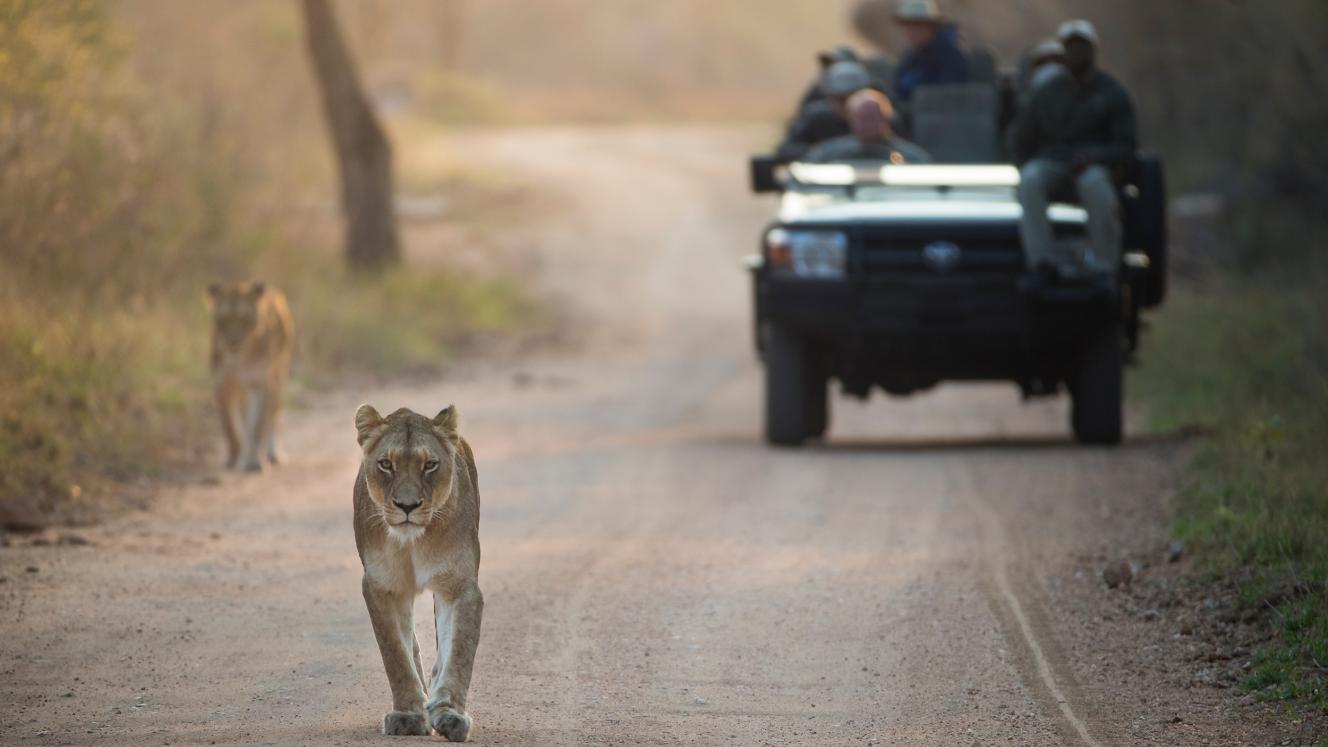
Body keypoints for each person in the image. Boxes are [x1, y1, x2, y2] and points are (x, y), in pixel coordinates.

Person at [1011, 19, 1137, 278]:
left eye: (1083, 47)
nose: (1077, 53)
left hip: (1093, 167)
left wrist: (1094, 157)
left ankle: (1105, 264)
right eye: (1071, 47)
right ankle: (1042, 261)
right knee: (1031, 179)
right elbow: (1021, 138)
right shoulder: (1047, 92)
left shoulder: (1112, 93)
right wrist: (1031, 161)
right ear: (1063, 51)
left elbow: (1126, 146)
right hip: (1054, 163)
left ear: (1093, 50)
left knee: (1096, 186)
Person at [776, 61, 872, 162]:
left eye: (851, 97)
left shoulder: (877, 119)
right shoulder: (816, 117)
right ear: (830, 97)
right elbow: (786, 151)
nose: (846, 105)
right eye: (839, 99)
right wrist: (823, 152)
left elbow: (888, 147)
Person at [804, 90, 932, 164]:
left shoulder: (912, 158)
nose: (867, 125)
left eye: (872, 118)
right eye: (861, 119)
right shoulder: (828, 155)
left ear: (886, 118)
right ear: (850, 121)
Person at [891, 0, 971, 104]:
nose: (912, 31)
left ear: (932, 27)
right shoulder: (910, 57)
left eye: (918, 25)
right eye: (908, 25)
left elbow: (947, 97)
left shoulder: (950, 56)